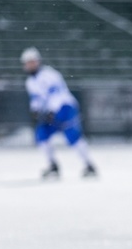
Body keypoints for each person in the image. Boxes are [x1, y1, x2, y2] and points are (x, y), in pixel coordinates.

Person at [21, 47, 97, 179]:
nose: (30, 65)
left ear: (38, 61)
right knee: (41, 135)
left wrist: (52, 110)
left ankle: (89, 165)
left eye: (32, 62)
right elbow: (36, 99)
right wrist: (35, 110)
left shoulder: (50, 75)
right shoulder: (30, 82)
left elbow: (57, 94)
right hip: (49, 112)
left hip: (65, 108)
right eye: (27, 63)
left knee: (72, 137)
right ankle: (52, 166)